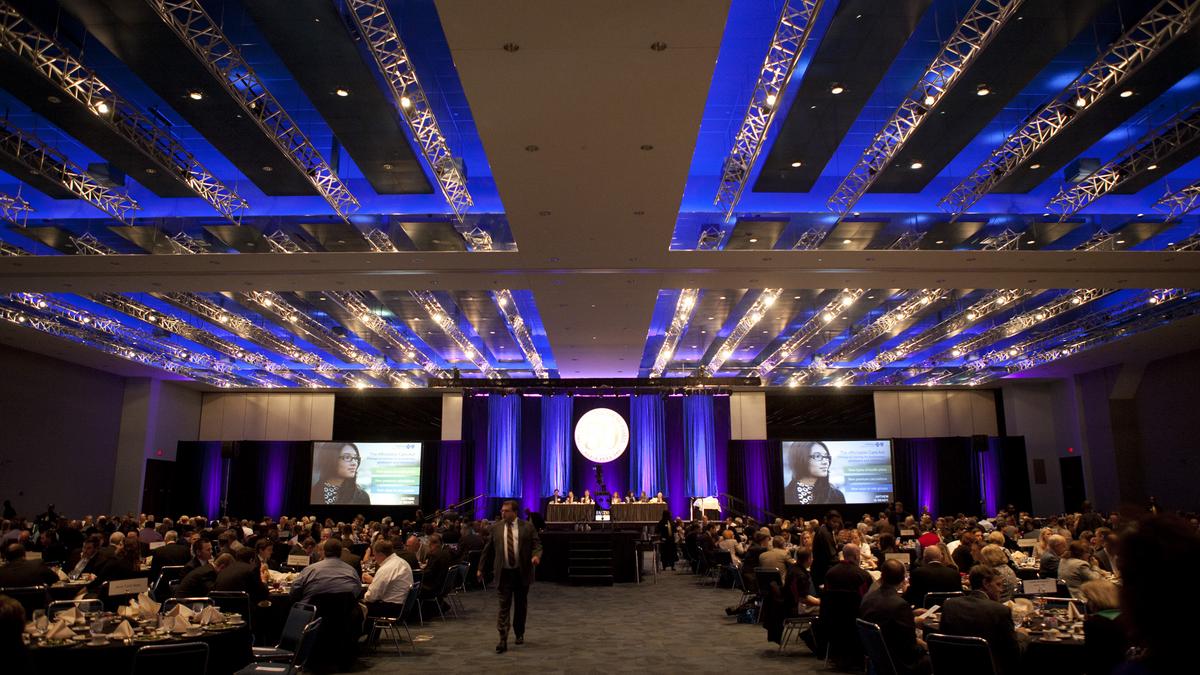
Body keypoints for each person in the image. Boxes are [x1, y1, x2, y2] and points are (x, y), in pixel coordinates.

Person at [478, 500, 542, 654]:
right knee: (503, 607)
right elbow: (487, 550)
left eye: (506, 511)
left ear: (514, 512)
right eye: (502, 511)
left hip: (521, 572)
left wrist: (536, 556)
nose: (502, 513)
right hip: (504, 573)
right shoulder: (495, 528)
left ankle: (519, 633)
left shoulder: (527, 527)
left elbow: (537, 544)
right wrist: (480, 568)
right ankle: (502, 637)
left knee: (520, 605)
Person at [939, 565, 1025, 675]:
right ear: (985, 584)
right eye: (998, 585)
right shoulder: (999, 610)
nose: (1001, 590)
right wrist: (1023, 636)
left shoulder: (949, 604)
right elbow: (1013, 653)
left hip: (952, 668)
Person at [859, 559, 930, 675]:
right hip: (899, 663)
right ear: (903, 579)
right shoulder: (900, 605)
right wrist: (927, 647)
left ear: (881, 576)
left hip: (876, 657)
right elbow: (910, 648)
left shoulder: (868, 598)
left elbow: (884, 617)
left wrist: (910, 614)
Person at [289, 539, 363, 604]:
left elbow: (293, 592)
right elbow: (358, 592)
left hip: (312, 615)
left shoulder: (310, 570)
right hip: (344, 617)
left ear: (324, 552)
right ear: (341, 553)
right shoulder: (351, 571)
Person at [362, 539, 413, 621]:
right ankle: (372, 633)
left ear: (381, 554)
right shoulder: (402, 562)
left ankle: (365, 633)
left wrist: (362, 598)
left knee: (357, 608)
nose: (375, 558)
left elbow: (371, 596)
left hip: (391, 608)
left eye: (375, 555)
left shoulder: (386, 568)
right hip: (403, 606)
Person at [812, 510, 842, 589]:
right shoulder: (825, 533)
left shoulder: (824, 529)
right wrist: (843, 562)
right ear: (827, 520)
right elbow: (831, 556)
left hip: (820, 568)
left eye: (838, 522)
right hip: (822, 571)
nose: (836, 524)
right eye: (833, 521)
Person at [418, 533, 452, 600]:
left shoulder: (434, 555)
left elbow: (429, 574)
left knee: (411, 586)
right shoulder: (446, 553)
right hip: (444, 586)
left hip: (433, 587)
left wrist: (419, 573)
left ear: (430, 544)